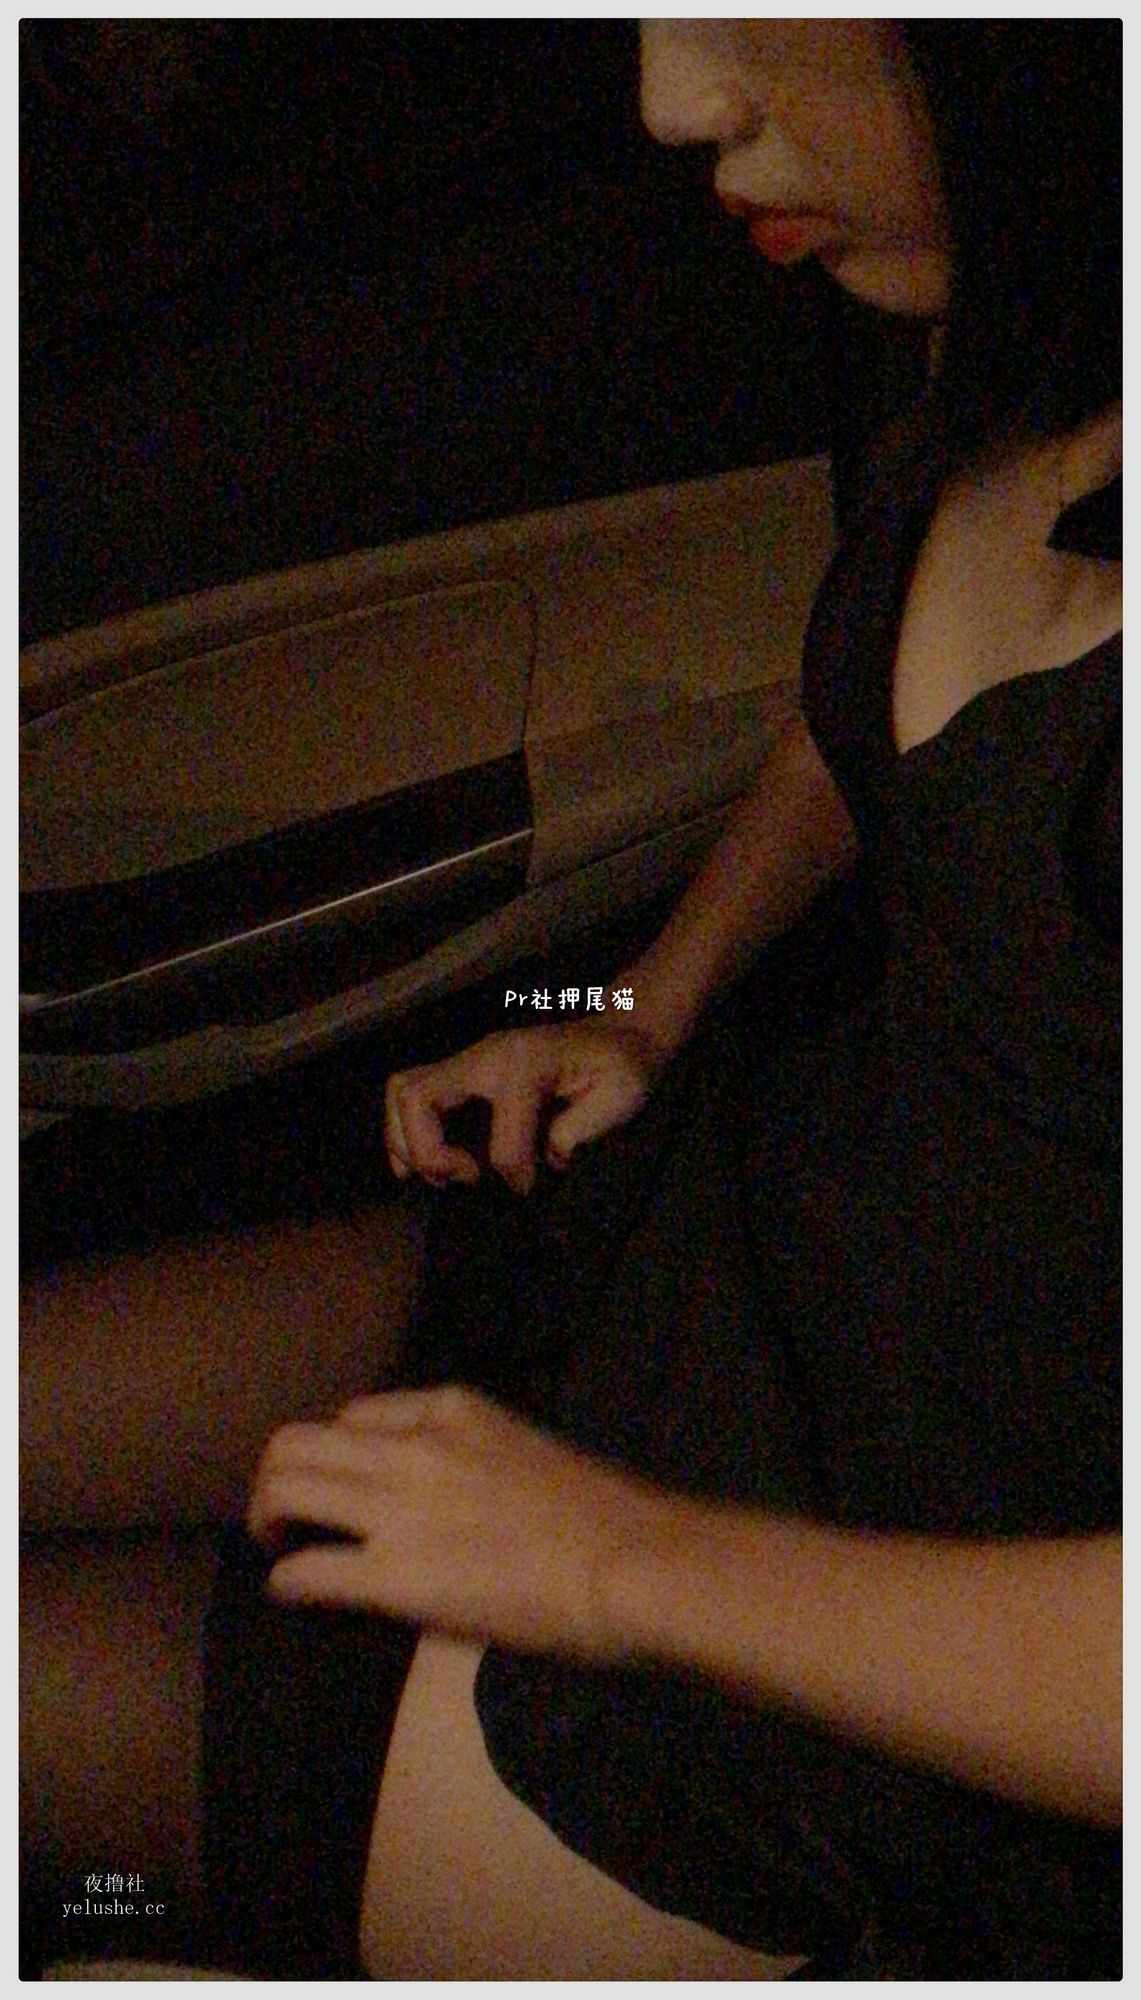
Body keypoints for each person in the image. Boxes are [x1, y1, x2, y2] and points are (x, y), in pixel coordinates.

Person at [21, 18, 1120, 1981]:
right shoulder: (1026, 323)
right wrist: (646, 1002)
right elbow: (890, 708)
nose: (670, 94)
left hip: (867, 1649)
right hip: (730, 1242)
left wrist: (607, 1561)